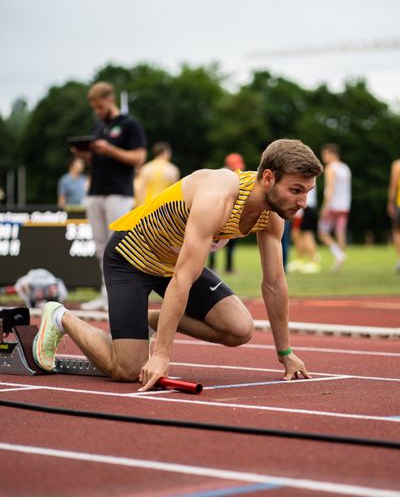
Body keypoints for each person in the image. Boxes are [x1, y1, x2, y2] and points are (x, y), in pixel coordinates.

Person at [32, 139, 323, 392]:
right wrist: (161, 354)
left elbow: (274, 283)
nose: (303, 202)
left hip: (174, 261)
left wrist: (285, 352)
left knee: (240, 329)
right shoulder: (219, 195)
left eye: (307, 191)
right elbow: (184, 277)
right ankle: (59, 316)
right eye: (296, 190)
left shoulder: (271, 215)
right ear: (269, 178)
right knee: (127, 369)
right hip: (132, 257)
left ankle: (147, 321)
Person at [74, 81, 147, 310]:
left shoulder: (129, 124)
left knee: (118, 246)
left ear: (109, 99)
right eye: (94, 108)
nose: (98, 112)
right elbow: (96, 159)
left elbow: (139, 158)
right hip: (96, 191)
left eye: (100, 107)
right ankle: (106, 295)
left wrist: (110, 149)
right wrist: (84, 154)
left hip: (119, 192)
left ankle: (122, 296)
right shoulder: (98, 126)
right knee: (100, 246)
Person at [209, 153, 245, 273]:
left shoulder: (235, 176)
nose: (238, 169)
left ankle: (226, 267)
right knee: (214, 242)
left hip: (230, 215)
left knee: (226, 243)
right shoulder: (224, 176)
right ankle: (214, 267)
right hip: (220, 214)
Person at [318, 143, 351, 272]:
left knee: (322, 232)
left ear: (332, 154)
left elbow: (329, 189)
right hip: (344, 205)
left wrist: (325, 206)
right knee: (340, 232)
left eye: (325, 154)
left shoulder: (331, 168)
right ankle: (340, 259)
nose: (324, 158)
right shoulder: (345, 168)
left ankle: (339, 255)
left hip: (332, 206)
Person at [287, 185, 320, 273]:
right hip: (302, 208)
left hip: (306, 207)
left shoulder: (306, 174)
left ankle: (313, 262)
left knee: (307, 235)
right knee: (296, 234)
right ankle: (299, 260)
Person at [387, 158, 400, 273]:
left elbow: (393, 186)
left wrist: (390, 202)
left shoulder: (397, 165)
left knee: (397, 232)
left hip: (399, 204)